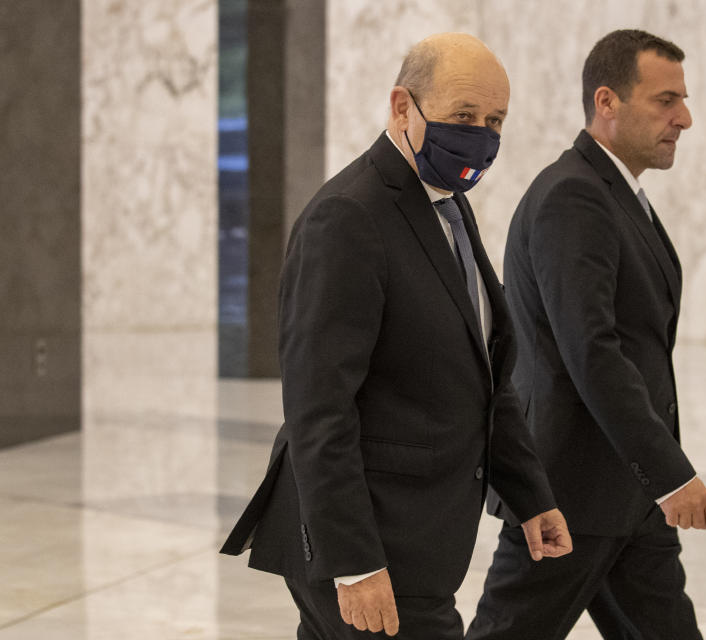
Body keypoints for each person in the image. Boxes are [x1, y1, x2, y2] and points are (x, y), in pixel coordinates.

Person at [220, 32, 571, 640]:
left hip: (420, 538)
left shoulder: (448, 206)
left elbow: (485, 378)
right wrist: (354, 562)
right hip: (369, 543)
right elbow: (318, 409)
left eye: (495, 120)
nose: (482, 135)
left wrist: (530, 496)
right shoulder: (348, 217)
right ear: (402, 106)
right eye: (463, 115)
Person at [466, 29, 706, 640]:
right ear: (606, 102)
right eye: (665, 101)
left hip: (624, 494)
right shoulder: (574, 196)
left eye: (682, 100)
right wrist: (671, 473)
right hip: (571, 494)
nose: (683, 118)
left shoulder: (617, 194)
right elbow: (592, 352)